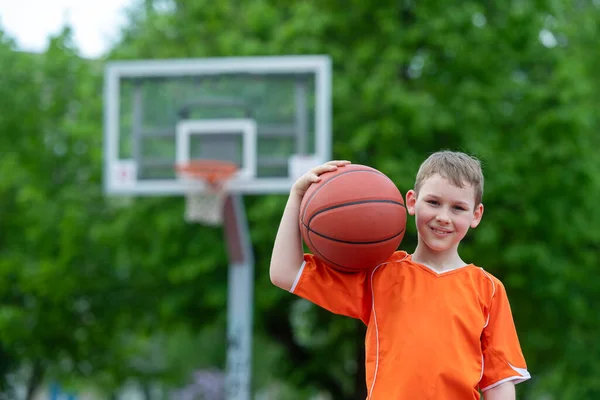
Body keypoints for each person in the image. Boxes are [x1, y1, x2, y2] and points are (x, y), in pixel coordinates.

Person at [269, 151, 530, 399]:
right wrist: (296, 196)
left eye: (458, 208)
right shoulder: (379, 275)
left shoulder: (488, 289)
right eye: (434, 202)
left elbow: (499, 383)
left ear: (476, 215)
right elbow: (285, 272)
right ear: (412, 202)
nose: (443, 217)